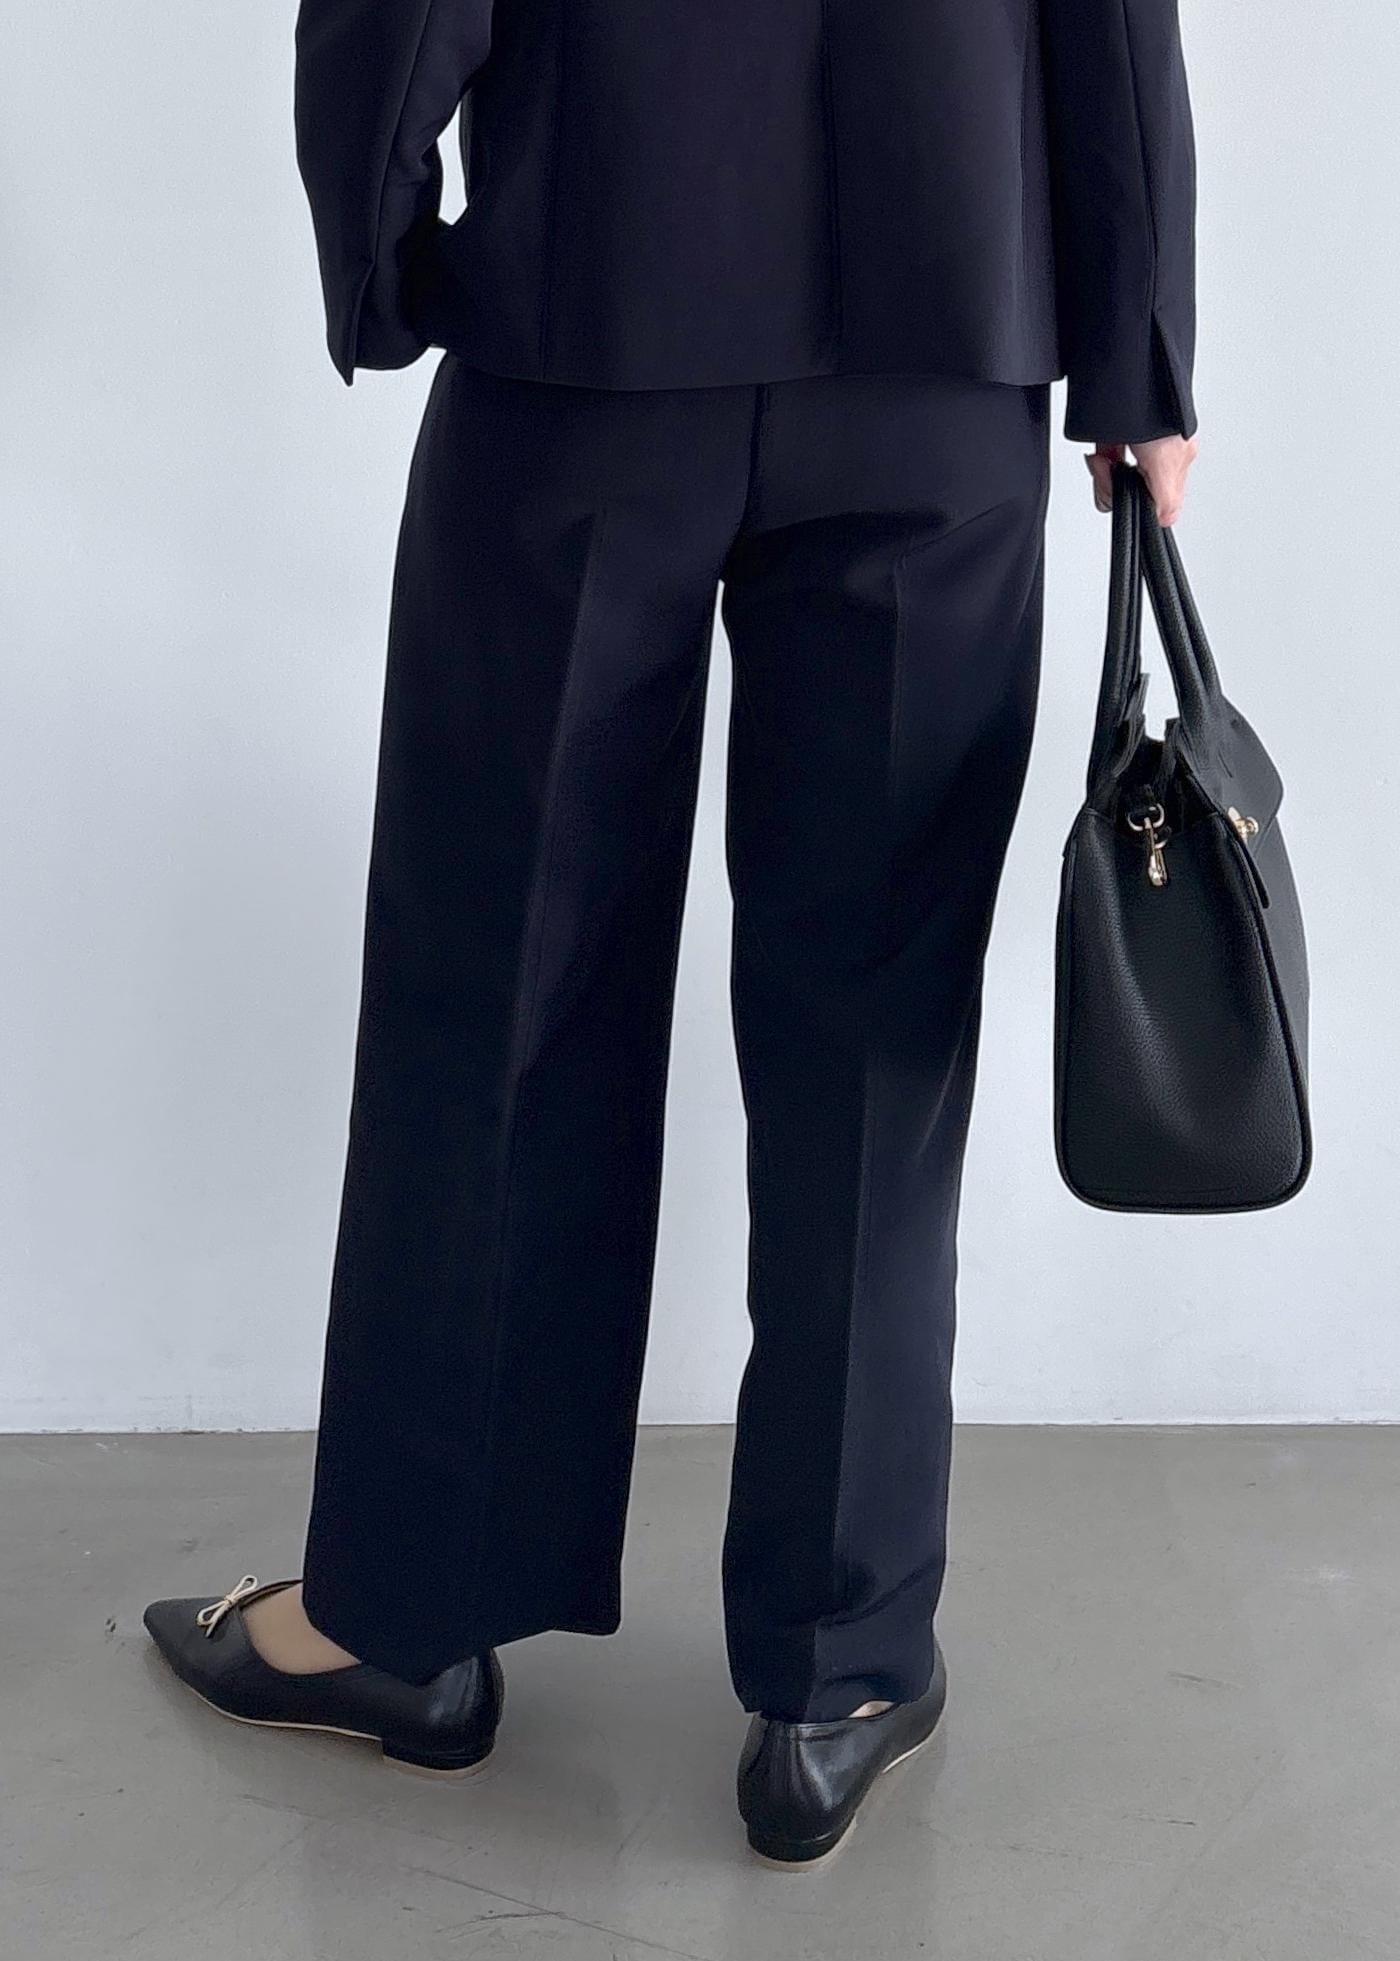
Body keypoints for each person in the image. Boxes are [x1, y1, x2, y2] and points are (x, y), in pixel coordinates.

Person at [145, 0, 1200, 1869]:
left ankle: (411, 1620)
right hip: (946, 336)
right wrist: (1141, 350)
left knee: (499, 990)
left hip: (590, 313)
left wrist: (381, 250)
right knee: (875, 1030)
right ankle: (840, 1669)